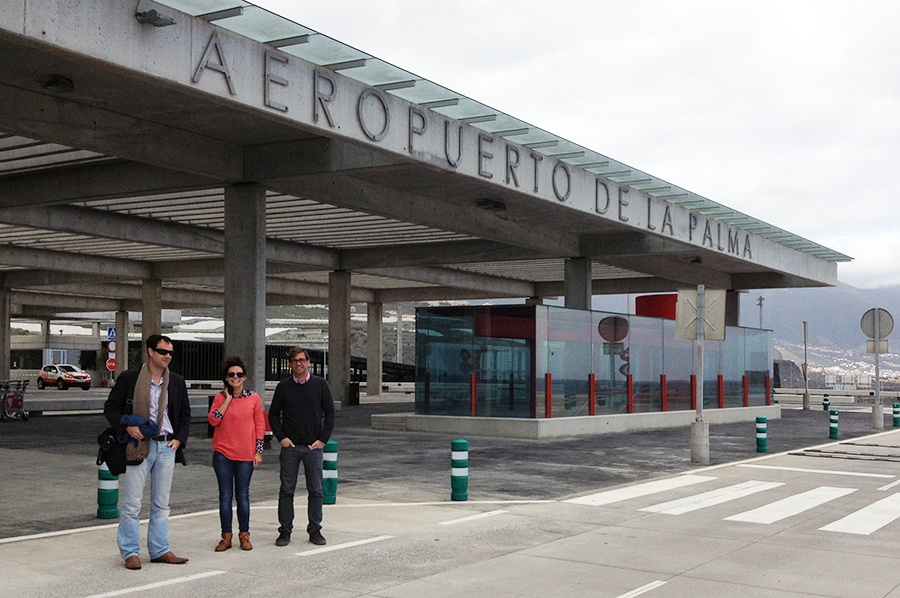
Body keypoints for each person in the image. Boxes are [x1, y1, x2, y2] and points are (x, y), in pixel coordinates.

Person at [103, 334, 191, 570]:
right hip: (138, 446)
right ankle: (131, 552)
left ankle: (160, 549)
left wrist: (179, 440)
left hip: (166, 446)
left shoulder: (177, 382)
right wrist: (127, 427)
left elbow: (184, 414)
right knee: (132, 503)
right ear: (150, 352)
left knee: (162, 503)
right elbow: (110, 407)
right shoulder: (130, 378)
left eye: (171, 353)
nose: (168, 356)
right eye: (163, 352)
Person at [268, 347, 335, 547]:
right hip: (291, 447)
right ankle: (285, 531)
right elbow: (273, 415)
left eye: (302, 360)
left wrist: (323, 439)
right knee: (286, 490)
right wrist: (281, 438)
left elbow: (330, 413)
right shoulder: (283, 387)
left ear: (308, 362)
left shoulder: (321, 385)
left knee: (315, 490)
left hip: (313, 447)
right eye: (295, 361)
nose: (299, 363)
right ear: (290, 365)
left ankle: (315, 530)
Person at [208, 356, 264, 552]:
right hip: (223, 454)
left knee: (243, 496)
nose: (235, 377)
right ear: (226, 377)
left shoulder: (254, 398)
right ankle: (226, 536)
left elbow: (259, 425)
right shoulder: (219, 398)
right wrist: (228, 400)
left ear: (245, 377)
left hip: (245, 455)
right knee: (225, 496)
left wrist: (258, 451)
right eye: (231, 374)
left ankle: (244, 535)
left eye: (239, 374)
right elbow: (213, 420)